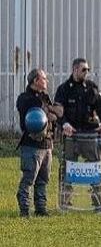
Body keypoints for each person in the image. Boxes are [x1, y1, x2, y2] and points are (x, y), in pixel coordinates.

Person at [54, 57, 101, 213]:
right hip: (71, 136)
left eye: (88, 70)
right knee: (67, 167)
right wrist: (64, 123)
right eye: (83, 69)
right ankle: (65, 203)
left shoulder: (91, 87)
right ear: (74, 70)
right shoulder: (64, 89)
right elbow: (58, 111)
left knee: (94, 167)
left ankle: (98, 203)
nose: (87, 72)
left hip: (89, 135)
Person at [16, 69, 63, 218]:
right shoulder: (25, 98)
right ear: (36, 80)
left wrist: (51, 111)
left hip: (47, 144)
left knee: (43, 179)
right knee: (29, 178)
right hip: (31, 145)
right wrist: (49, 111)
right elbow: (39, 111)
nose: (46, 81)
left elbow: (56, 115)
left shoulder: (45, 98)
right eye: (44, 78)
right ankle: (24, 209)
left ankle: (41, 209)